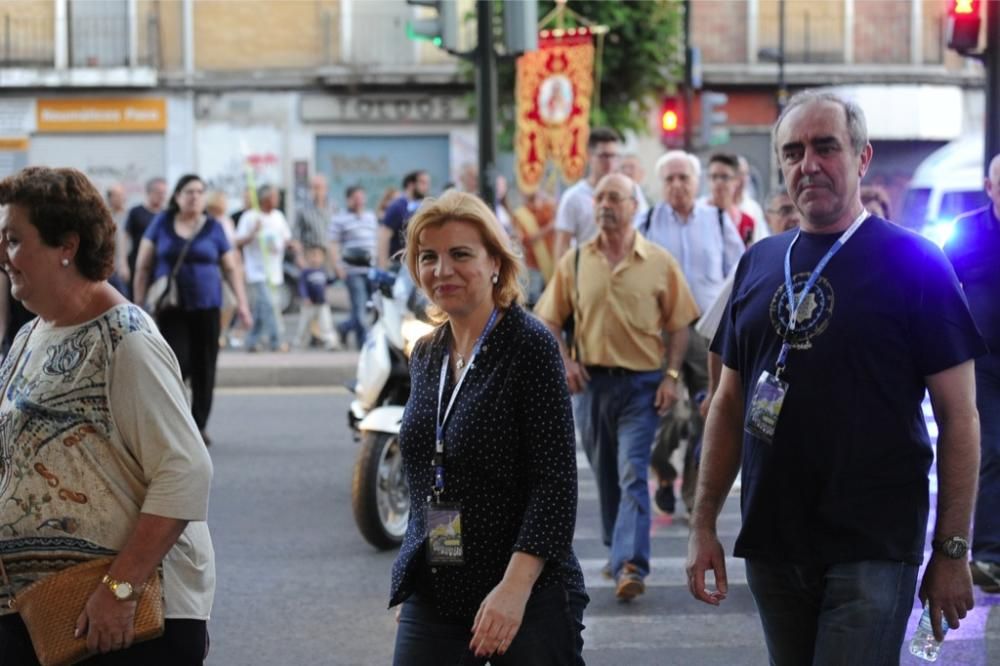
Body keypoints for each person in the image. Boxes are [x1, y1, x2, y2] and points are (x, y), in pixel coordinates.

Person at [687, 89, 985, 662]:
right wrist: (704, 525)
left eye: (826, 148)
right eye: (794, 152)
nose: (809, 165)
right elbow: (727, 403)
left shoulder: (918, 262)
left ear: (862, 158)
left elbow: (960, 417)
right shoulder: (759, 262)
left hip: (872, 545)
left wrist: (951, 551)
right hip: (774, 544)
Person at [0, 166, 215, 664]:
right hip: (39, 612)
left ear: (66, 246)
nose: (3, 257)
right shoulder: (31, 335)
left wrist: (120, 588)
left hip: (119, 621)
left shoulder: (125, 340)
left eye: (13, 240)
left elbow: (186, 470)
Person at [389, 190, 587, 664]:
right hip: (438, 591)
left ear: (495, 262)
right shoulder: (428, 351)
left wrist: (514, 591)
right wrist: (427, 570)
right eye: (428, 257)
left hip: (523, 593)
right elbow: (429, 474)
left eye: (460, 254)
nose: (442, 270)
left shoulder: (530, 345)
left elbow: (556, 485)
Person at [536, 173, 699, 601]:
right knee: (606, 473)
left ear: (634, 206)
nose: (605, 204)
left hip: (642, 386)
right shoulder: (574, 261)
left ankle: (631, 564)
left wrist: (672, 376)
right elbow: (549, 321)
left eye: (615, 197)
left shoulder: (659, 261)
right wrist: (566, 361)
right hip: (591, 387)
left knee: (631, 473)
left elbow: (680, 326)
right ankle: (617, 550)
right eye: (600, 197)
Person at [640, 150, 744, 516]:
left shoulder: (715, 219)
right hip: (663, 332)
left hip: (707, 333)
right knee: (667, 411)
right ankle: (663, 469)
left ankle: (693, 496)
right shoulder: (649, 221)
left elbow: (739, 270)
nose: (677, 185)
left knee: (707, 410)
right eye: (669, 178)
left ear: (695, 182)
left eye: (684, 177)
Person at [133, 175, 251, 446]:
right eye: (189, 191)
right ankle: (175, 419)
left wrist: (243, 305)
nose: (195, 196)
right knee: (176, 364)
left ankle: (198, 426)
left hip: (208, 306)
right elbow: (143, 265)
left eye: (200, 192)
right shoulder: (162, 223)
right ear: (177, 196)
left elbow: (231, 268)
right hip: (172, 308)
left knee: (205, 367)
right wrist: (138, 305)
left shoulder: (213, 227)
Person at [944, 153, 1000, 595]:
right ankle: (989, 553)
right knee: (991, 450)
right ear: (989, 186)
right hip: (984, 361)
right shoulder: (967, 230)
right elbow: (943, 288)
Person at [234, 185, 293, 353]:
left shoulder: (278, 217)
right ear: (265, 198)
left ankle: (252, 341)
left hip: (274, 271)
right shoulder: (250, 217)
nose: (277, 200)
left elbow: (286, 238)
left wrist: (291, 245)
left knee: (261, 308)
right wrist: (253, 233)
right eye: (274, 196)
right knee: (270, 305)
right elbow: (237, 242)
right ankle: (276, 341)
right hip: (257, 271)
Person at [552, 127, 622, 262]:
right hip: (588, 271)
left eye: (614, 156)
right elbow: (562, 246)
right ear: (590, 156)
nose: (609, 162)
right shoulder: (573, 197)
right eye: (603, 156)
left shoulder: (631, 192)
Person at [330, 185, 378, 349]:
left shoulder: (370, 217)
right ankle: (363, 342)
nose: (359, 202)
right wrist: (338, 266)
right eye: (355, 198)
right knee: (359, 306)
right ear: (349, 199)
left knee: (370, 307)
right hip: (352, 271)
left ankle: (343, 328)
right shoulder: (340, 219)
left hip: (371, 270)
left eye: (361, 198)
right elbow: (333, 244)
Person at [205, 191, 241, 349]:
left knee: (231, 303)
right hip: (216, 269)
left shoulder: (227, 221)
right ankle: (215, 335)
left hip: (230, 267)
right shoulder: (209, 221)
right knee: (222, 303)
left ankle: (220, 333)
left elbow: (232, 244)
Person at [379, 171, 430, 268]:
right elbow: (384, 236)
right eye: (422, 183)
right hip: (399, 265)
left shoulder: (424, 206)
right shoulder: (397, 206)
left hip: (420, 263)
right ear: (411, 185)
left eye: (427, 183)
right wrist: (383, 265)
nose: (426, 187)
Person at [705, 153, 757, 247]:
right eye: (714, 177)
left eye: (724, 177)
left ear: (736, 181)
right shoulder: (697, 216)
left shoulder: (747, 222)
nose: (719, 182)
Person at [293, 246, 339, 350]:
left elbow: (328, 282)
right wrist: (305, 297)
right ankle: (299, 343)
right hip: (309, 304)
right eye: (312, 256)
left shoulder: (323, 271)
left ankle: (331, 343)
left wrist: (337, 276)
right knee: (304, 325)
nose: (315, 259)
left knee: (326, 324)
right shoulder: (306, 272)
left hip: (322, 303)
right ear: (307, 258)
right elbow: (302, 286)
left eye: (318, 256)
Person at [124, 177, 167, 289]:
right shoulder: (136, 212)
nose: (162, 196)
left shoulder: (167, 215)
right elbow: (124, 239)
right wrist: (122, 264)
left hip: (160, 267)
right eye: (159, 192)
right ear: (149, 192)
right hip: (137, 264)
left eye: (164, 192)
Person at [294, 173, 333, 256]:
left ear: (326, 189)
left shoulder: (334, 209)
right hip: (311, 254)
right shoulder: (303, 210)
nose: (316, 191)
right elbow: (296, 236)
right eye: (313, 187)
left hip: (330, 254)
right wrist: (299, 257)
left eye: (319, 187)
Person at [106, 183, 130, 296]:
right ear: (110, 197)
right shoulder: (105, 216)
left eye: (122, 195)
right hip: (108, 265)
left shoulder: (129, 215)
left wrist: (123, 264)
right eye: (117, 195)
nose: (121, 198)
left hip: (126, 263)